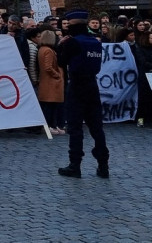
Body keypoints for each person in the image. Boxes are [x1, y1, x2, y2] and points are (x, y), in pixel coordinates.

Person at [55, 10, 108, 179]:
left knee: (75, 127)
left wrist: (60, 45)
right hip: (92, 86)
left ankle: (75, 165)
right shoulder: (95, 42)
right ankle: (103, 165)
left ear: (72, 25)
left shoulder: (72, 42)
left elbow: (61, 62)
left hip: (77, 86)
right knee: (96, 128)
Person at [36, 29, 64, 134]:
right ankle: (50, 126)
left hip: (47, 82)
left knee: (50, 107)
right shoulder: (48, 50)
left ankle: (52, 125)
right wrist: (57, 75)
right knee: (51, 107)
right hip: (51, 82)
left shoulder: (42, 49)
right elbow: (48, 67)